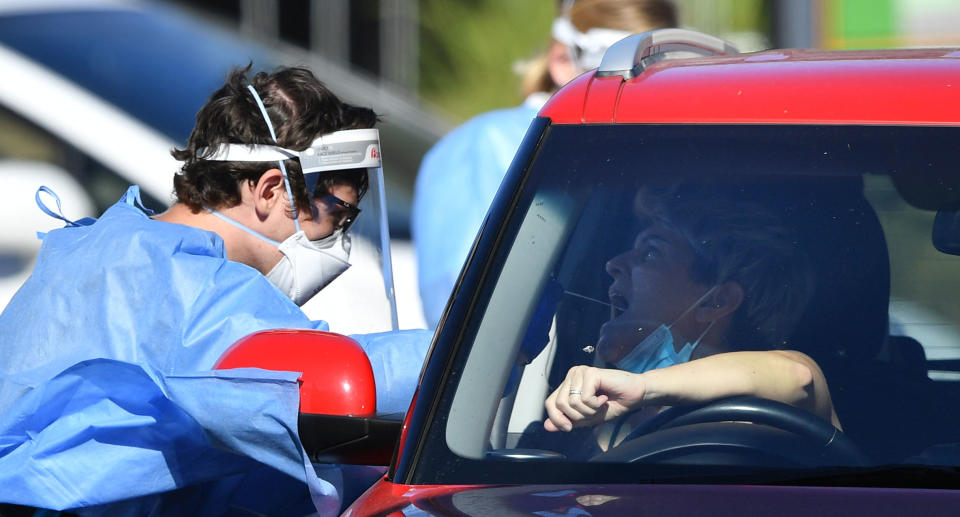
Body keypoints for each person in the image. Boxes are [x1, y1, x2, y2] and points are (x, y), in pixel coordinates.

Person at [0, 65, 429, 515]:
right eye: (338, 214)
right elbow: (321, 379)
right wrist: (485, 352)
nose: (337, 240)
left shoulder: (98, 245)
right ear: (270, 190)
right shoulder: (194, 289)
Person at [412, 0, 678, 327]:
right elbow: (459, 313)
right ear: (562, 60)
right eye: (625, 75)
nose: (642, 93)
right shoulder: (484, 144)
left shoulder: (645, 152)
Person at [539, 183, 840, 453]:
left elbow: (798, 378)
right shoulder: (606, 418)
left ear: (716, 301)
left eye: (652, 252)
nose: (613, 264)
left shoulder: (774, 404)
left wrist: (642, 388)